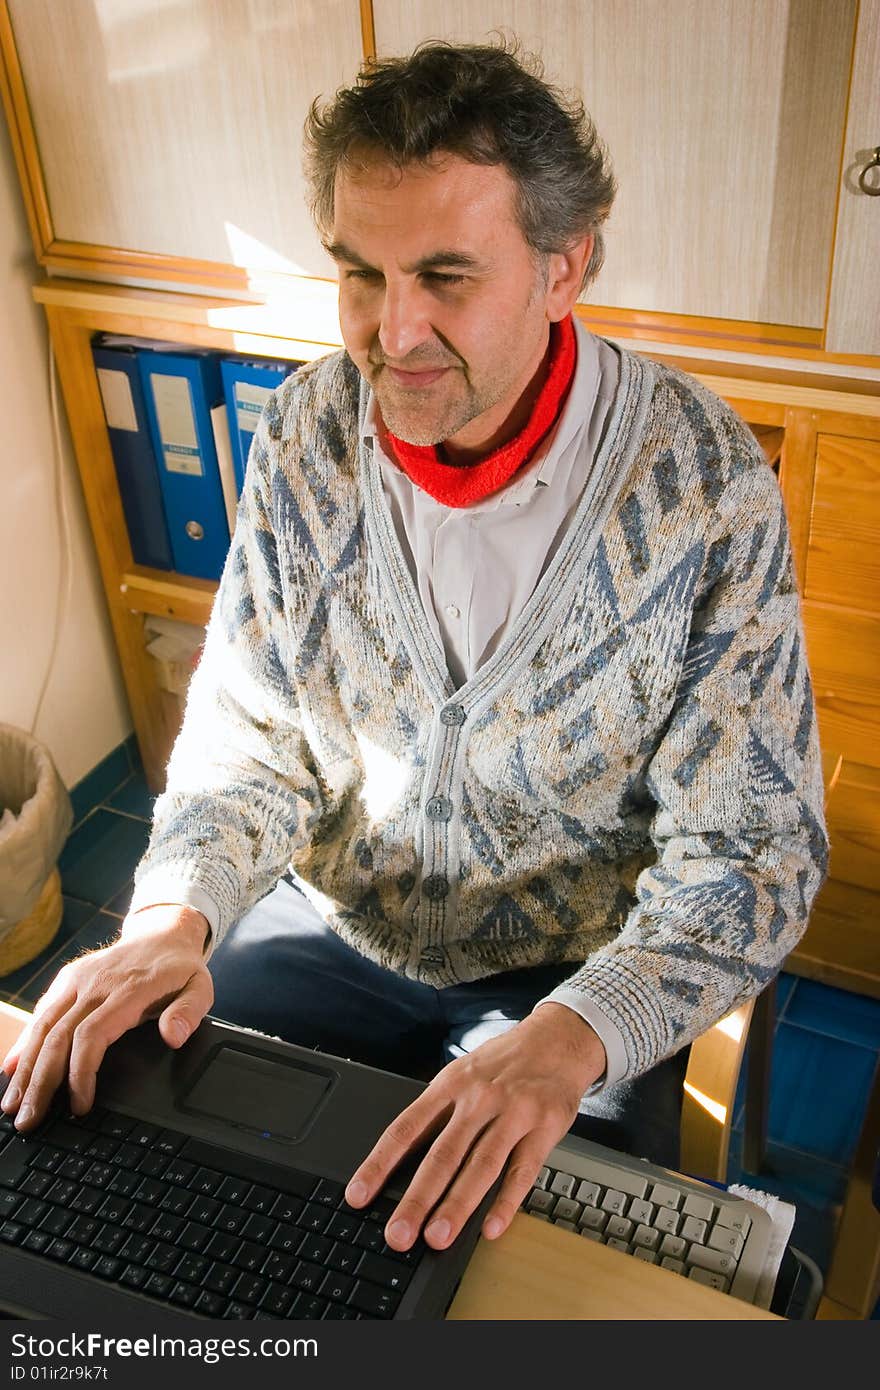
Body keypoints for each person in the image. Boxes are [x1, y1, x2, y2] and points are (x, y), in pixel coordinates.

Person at [2, 41, 827, 1260]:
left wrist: (576, 1031)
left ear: (566, 264)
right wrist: (170, 920)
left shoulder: (701, 486)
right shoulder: (301, 438)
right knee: (135, 1189)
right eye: (358, 274)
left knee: (533, 1277)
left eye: (445, 275)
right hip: (326, 933)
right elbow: (247, 741)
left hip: (564, 982)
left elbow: (753, 848)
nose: (391, 334)